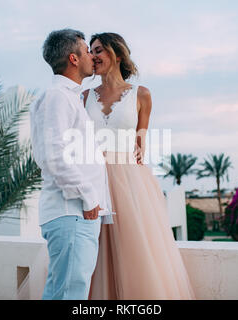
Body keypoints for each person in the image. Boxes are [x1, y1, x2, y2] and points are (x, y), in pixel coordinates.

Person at [82, 32, 196, 299]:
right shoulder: (83, 96)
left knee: (133, 248)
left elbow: (140, 147)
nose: (93, 56)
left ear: (117, 54)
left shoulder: (142, 95)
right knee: (91, 250)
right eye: (90, 51)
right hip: (93, 179)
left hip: (129, 181)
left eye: (98, 50)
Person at [30, 28, 115, 300]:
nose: (92, 55)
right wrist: (89, 198)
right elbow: (53, 157)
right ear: (74, 58)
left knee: (63, 290)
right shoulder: (58, 97)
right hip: (74, 213)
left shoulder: (69, 98)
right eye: (86, 50)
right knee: (70, 293)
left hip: (76, 214)